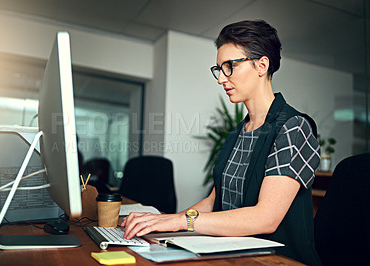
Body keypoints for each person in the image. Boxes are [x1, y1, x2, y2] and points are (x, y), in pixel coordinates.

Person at [122, 20, 322, 266]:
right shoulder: (238, 132)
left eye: (229, 67)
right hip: (234, 253)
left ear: (261, 65)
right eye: (218, 69)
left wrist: (179, 222)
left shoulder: (294, 127)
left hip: (278, 260)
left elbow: (265, 218)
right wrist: (165, 221)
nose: (221, 79)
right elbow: (213, 200)